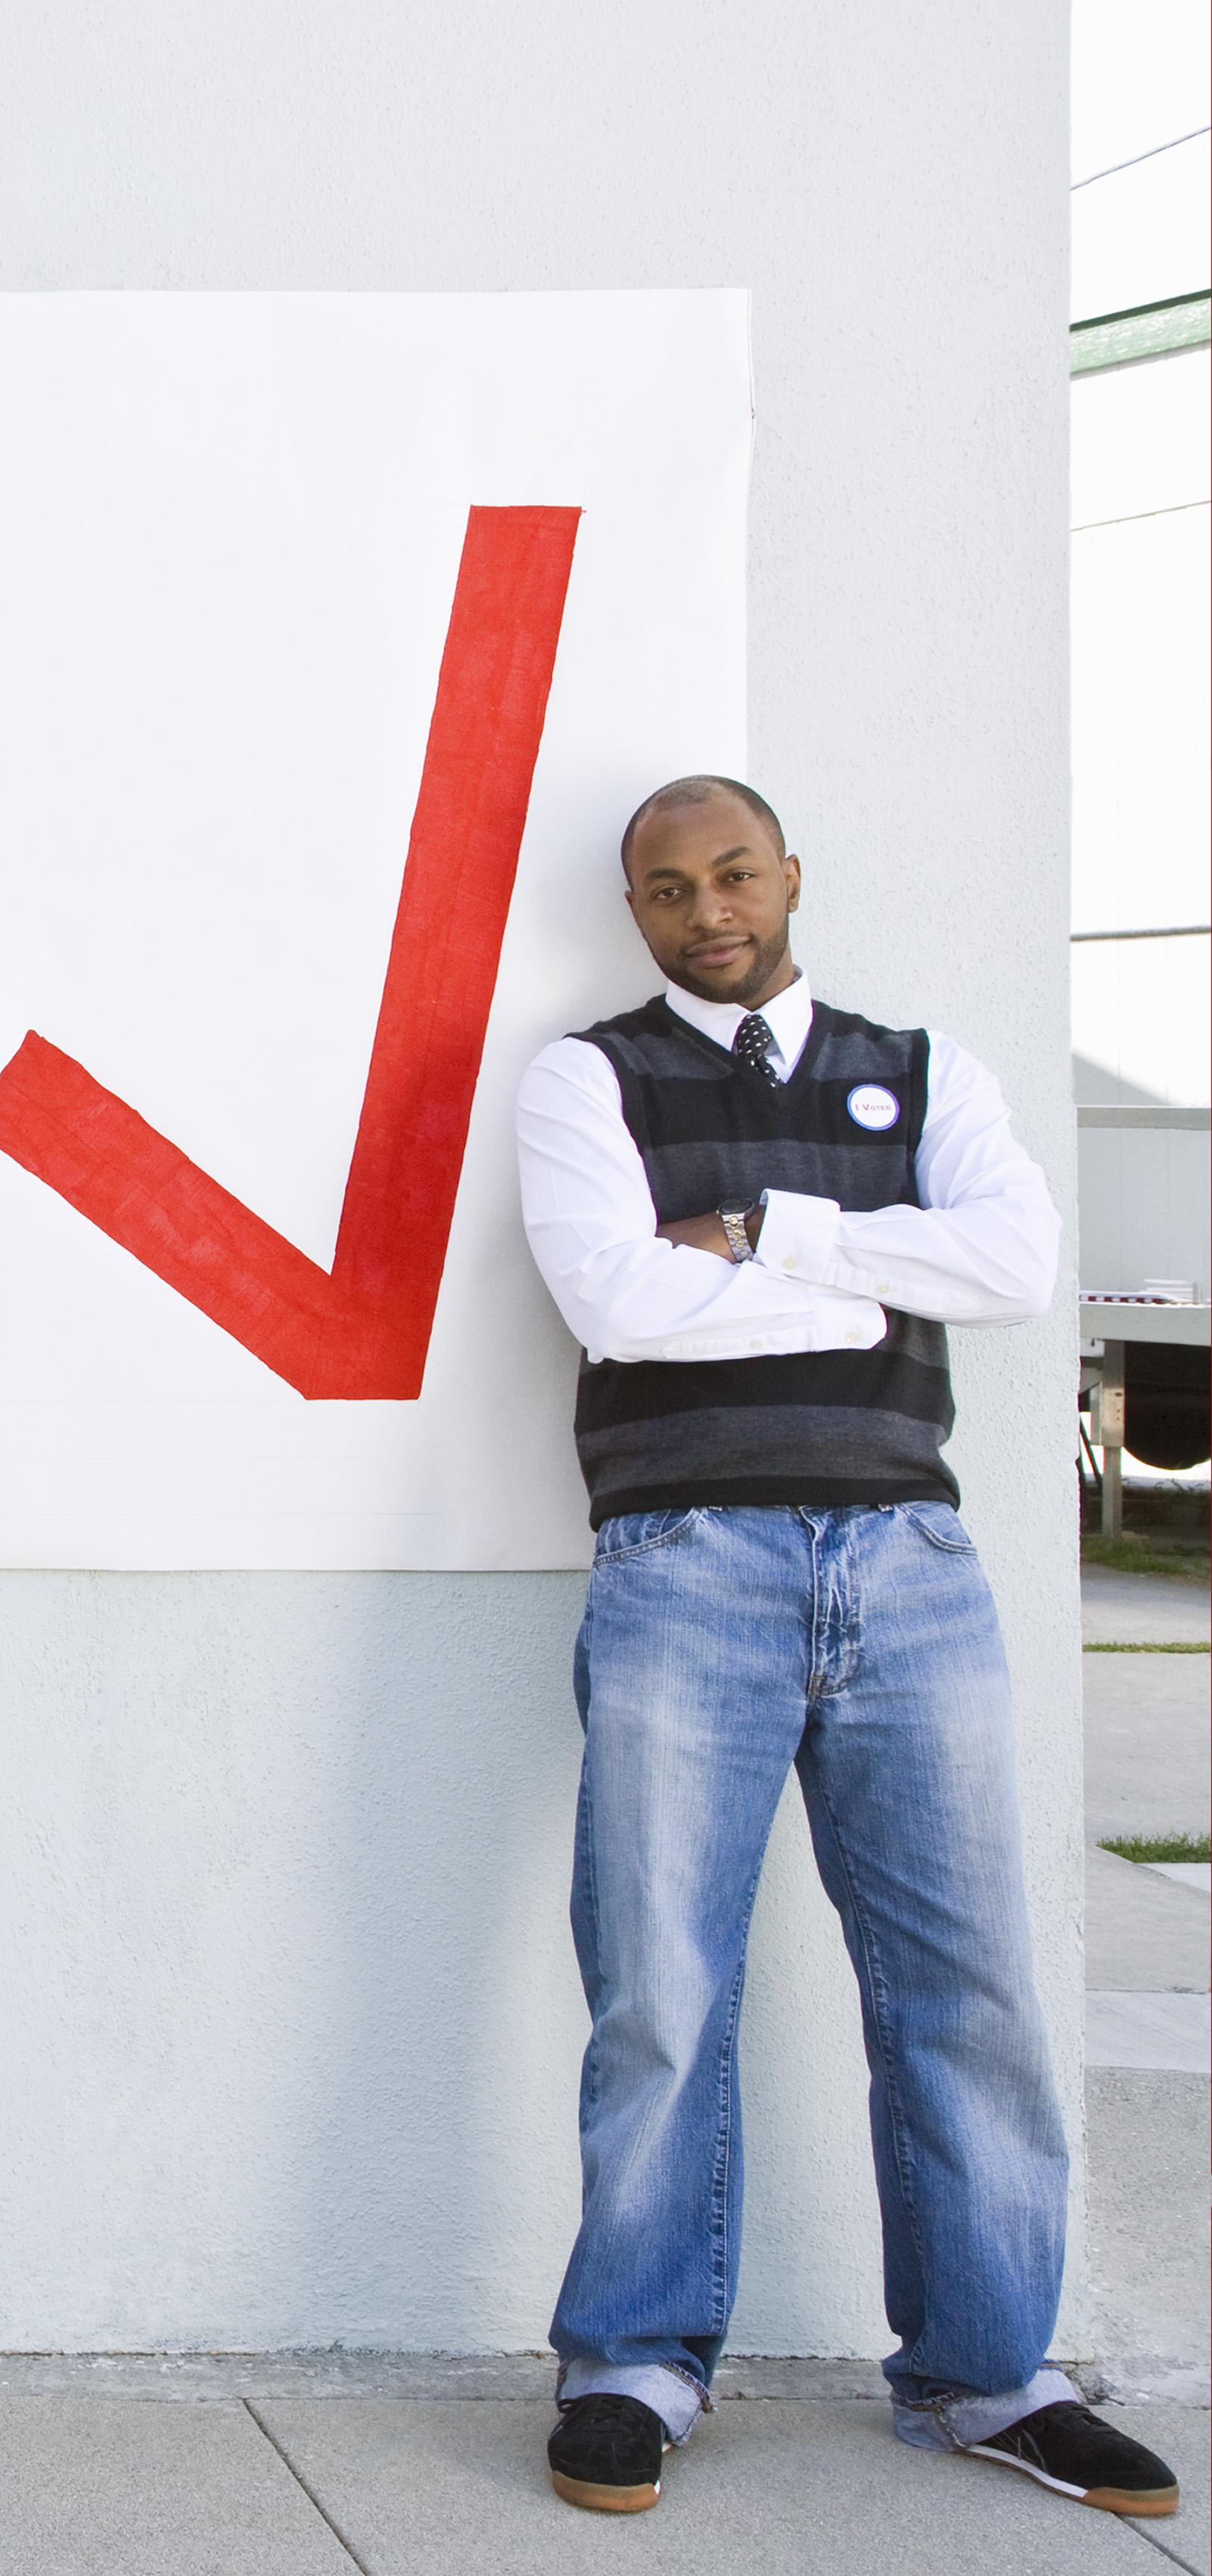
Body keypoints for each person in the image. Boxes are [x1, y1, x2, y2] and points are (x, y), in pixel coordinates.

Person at [510, 775, 1176, 2522]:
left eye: (733, 871)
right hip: (684, 1560)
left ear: (791, 873)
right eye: (667, 886)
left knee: (966, 1984)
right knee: (661, 1985)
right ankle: (635, 2360)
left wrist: (773, 1234)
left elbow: (1021, 1262)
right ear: (637, 910)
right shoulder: (586, 1077)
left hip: (912, 1562)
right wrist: (889, 1278)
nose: (706, 907)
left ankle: (988, 2371)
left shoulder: (928, 1065)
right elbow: (618, 1301)